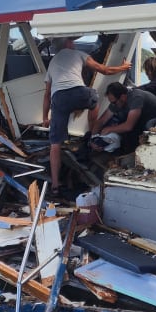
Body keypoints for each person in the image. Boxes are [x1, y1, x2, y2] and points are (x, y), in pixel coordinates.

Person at [41, 37, 131, 194]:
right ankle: (92, 135)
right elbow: (104, 70)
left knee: (55, 145)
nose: (74, 43)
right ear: (68, 44)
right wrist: (123, 67)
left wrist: (44, 118)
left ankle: (55, 185)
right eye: (72, 41)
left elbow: (47, 94)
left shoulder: (53, 62)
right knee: (94, 98)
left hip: (59, 98)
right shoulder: (77, 54)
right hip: (78, 93)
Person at [91, 81, 156, 155]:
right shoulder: (117, 102)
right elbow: (101, 121)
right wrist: (93, 139)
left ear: (123, 97)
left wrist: (109, 129)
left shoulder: (136, 97)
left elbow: (128, 126)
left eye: (114, 102)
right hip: (141, 122)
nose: (113, 105)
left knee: (129, 133)